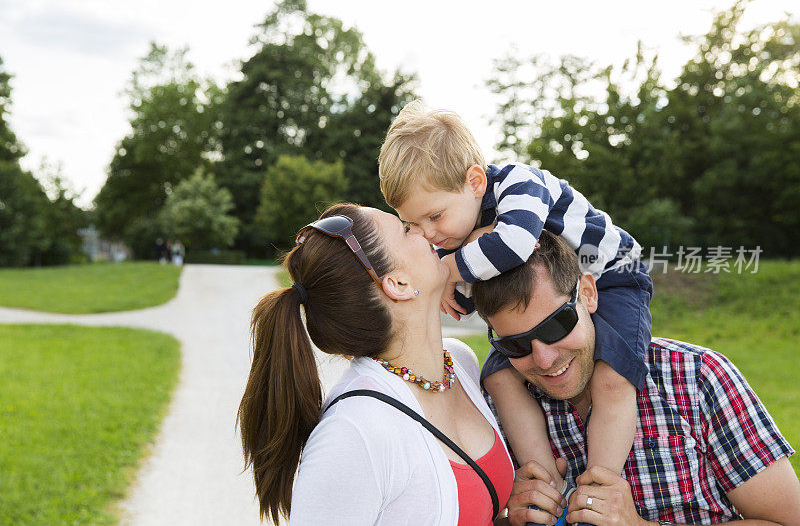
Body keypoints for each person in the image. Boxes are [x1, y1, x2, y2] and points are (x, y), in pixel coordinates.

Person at [378, 100, 650, 515]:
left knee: (613, 377)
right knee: (501, 378)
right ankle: (545, 484)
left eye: (434, 216)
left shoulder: (519, 184)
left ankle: (598, 489)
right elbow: (492, 288)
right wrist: (462, 290)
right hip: (558, 280)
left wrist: (452, 269)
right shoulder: (465, 227)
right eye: (415, 225)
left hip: (612, 273)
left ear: (474, 181)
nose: (429, 234)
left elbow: (516, 245)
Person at [471, 230, 800, 525]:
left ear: (587, 293)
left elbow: (787, 520)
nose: (544, 359)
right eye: (514, 345)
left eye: (556, 325)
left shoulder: (697, 377)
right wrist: (504, 515)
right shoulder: (494, 409)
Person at [237, 203, 515, 525]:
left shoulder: (459, 363)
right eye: (406, 229)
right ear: (397, 284)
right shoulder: (352, 432)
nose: (424, 230)